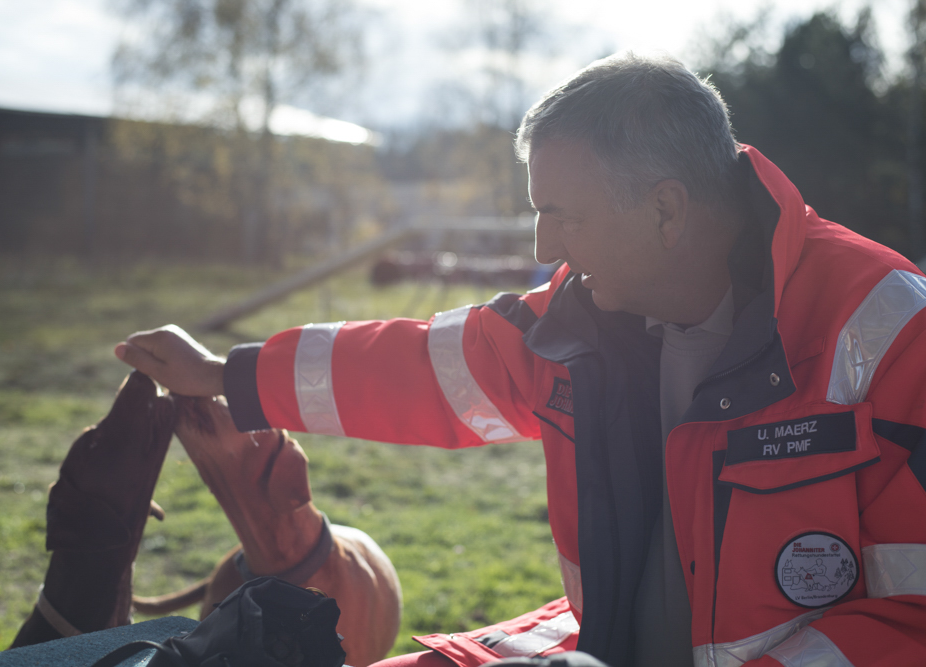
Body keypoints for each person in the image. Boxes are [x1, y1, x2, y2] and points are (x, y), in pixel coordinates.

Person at [116, 52, 926, 667]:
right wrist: (228, 376)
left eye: (559, 215)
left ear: (666, 209)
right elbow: (419, 369)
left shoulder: (889, 330)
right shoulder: (582, 320)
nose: (542, 247)